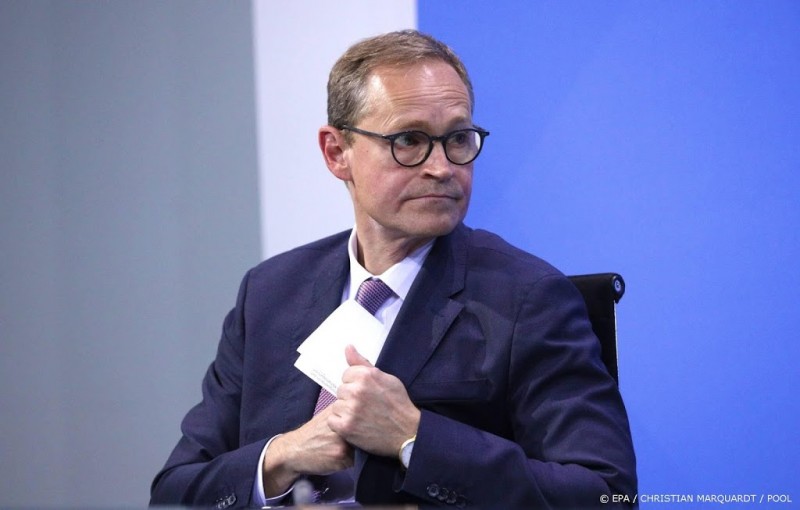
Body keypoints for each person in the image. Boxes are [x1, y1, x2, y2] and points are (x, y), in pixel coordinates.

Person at [150, 29, 637, 509]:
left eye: (458, 139)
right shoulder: (270, 293)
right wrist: (283, 456)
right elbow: (174, 495)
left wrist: (414, 438)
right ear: (337, 153)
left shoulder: (527, 298)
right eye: (409, 140)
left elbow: (607, 494)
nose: (442, 167)